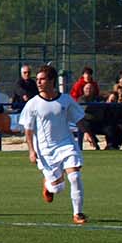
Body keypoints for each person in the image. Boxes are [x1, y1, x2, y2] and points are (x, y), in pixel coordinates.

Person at [21, 64, 88, 224]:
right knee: (57, 188)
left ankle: (77, 214)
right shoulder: (33, 103)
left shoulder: (65, 100)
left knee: (75, 177)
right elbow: (28, 130)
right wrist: (31, 150)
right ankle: (48, 184)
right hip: (46, 150)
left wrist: (89, 135)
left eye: (42, 79)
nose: (38, 82)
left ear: (51, 81)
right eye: (37, 79)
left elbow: (78, 118)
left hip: (66, 144)